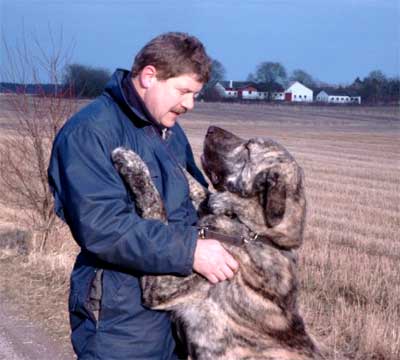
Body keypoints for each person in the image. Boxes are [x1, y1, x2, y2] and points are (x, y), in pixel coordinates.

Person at [48, 32, 239, 359]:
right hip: (120, 317)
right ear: (150, 76)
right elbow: (103, 228)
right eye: (184, 91)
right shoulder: (89, 133)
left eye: (195, 94)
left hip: (175, 311)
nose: (189, 104)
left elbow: (190, 204)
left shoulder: (167, 129)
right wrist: (190, 252)